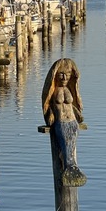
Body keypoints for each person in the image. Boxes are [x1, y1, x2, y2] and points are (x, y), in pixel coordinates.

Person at [41, 57, 87, 186]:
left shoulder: (69, 89)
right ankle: (69, 165)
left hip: (72, 121)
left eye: (67, 74)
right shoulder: (54, 90)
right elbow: (48, 103)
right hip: (60, 121)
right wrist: (49, 114)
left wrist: (78, 113)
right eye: (61, 74)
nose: (64, 78)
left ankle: (72, 166)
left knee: (72, 142)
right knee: (66, 142)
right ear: (55, 75)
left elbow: (71, 105)